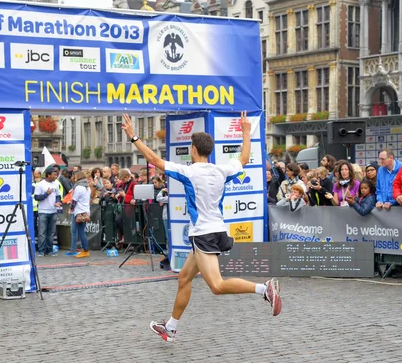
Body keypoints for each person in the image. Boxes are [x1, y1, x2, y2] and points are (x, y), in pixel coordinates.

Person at [121, 111, 282, 343]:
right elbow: (245, 159)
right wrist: (246, 132)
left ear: (193, 149)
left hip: (203, 234)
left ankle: (264, 289)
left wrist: (134, 136)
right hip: (216, 230)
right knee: (184, 278)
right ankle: (171, 327)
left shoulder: (189, 171)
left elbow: (155, 161)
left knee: (217, 286)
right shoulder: (221, 170)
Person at [34, 166, 62, 257]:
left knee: (51, 233)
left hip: (53, 211)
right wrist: (46, 194)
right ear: (48, 175)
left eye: (56, 175)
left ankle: (49, 250)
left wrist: (58, 202)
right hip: (43, 211)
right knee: (42, 232)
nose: (55, 176)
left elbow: (58, 195)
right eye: (54, 175)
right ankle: (41, 250)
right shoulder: (40, 184)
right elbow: (36, 197)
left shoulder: (55, 184)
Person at [67, 171, 91, 258]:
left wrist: (71, 209)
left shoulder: (79, 187)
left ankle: (85, 250)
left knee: (79, 232)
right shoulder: (87, 187)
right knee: (81, 231)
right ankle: (84, 250)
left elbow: (74, 201)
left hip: (79, 212)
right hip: (85, 211)